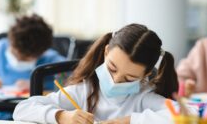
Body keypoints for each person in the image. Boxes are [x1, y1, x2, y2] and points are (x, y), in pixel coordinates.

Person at [13, 24, 180, 124]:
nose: (115, 81)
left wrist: (129, 121)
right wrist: (62, 116)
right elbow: (22, 109)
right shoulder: (84, 91)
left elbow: (189, 115)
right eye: (112, 68)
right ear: (106, 52)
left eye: (129, 78)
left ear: (146, 74)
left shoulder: (143, 97)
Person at [0, 14, 65, 119]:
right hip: (1, 117)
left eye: (25, 58)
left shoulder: (51, 59)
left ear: (41, 53)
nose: (18, 59)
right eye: (15, 53)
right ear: (11, 41)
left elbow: (73, 83)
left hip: (35, 118)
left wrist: (39, 84)